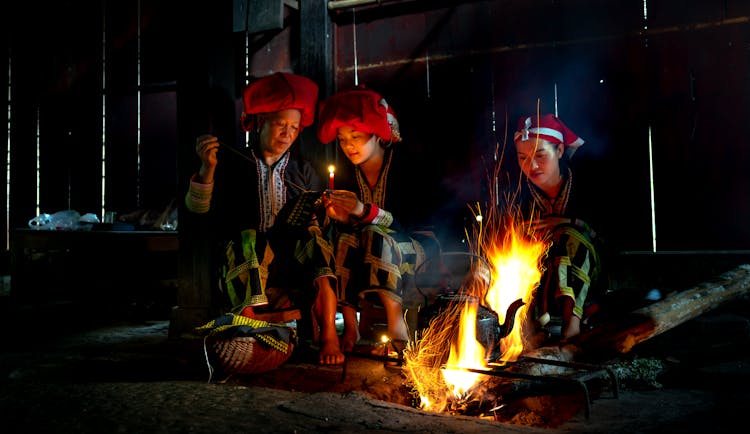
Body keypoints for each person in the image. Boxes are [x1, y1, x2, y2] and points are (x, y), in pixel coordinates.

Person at [185, 72, 345, 365]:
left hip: (291, 260)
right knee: (250, 238)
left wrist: (324, 215)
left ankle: (328, 337)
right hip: (246, 261)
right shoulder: (232, 163)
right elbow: (198, 211)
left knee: (315, 240)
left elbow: (318, 221)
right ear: (259, 122)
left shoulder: (304, 170)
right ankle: (248, 329)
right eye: (280, 124)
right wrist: (207, 169)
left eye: (294, 127)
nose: (288, 133)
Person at [316, 86, 443, 354]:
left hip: (417, 250)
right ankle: (351, 327)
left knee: (375, 233)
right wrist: (341, 218)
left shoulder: (407, 166)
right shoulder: (349, 175)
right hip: (367, 252)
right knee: (345, 237)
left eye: (356, 136)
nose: (348, 145)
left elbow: (411, 224)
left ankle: (396, 325)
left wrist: (364, 212)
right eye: (341, 139)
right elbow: (353, 227)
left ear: (378, 136)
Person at [507, 113, 605, 342]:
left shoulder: (587, 185)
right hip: (543, 285)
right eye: (522, 157)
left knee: (568, 235)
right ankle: (529, 325)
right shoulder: (519, 196)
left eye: (540, 155)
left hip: (589, 280)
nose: (531, 165)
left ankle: (572, 325)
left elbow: (606, 237)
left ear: (559, 150)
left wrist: (568, 223)